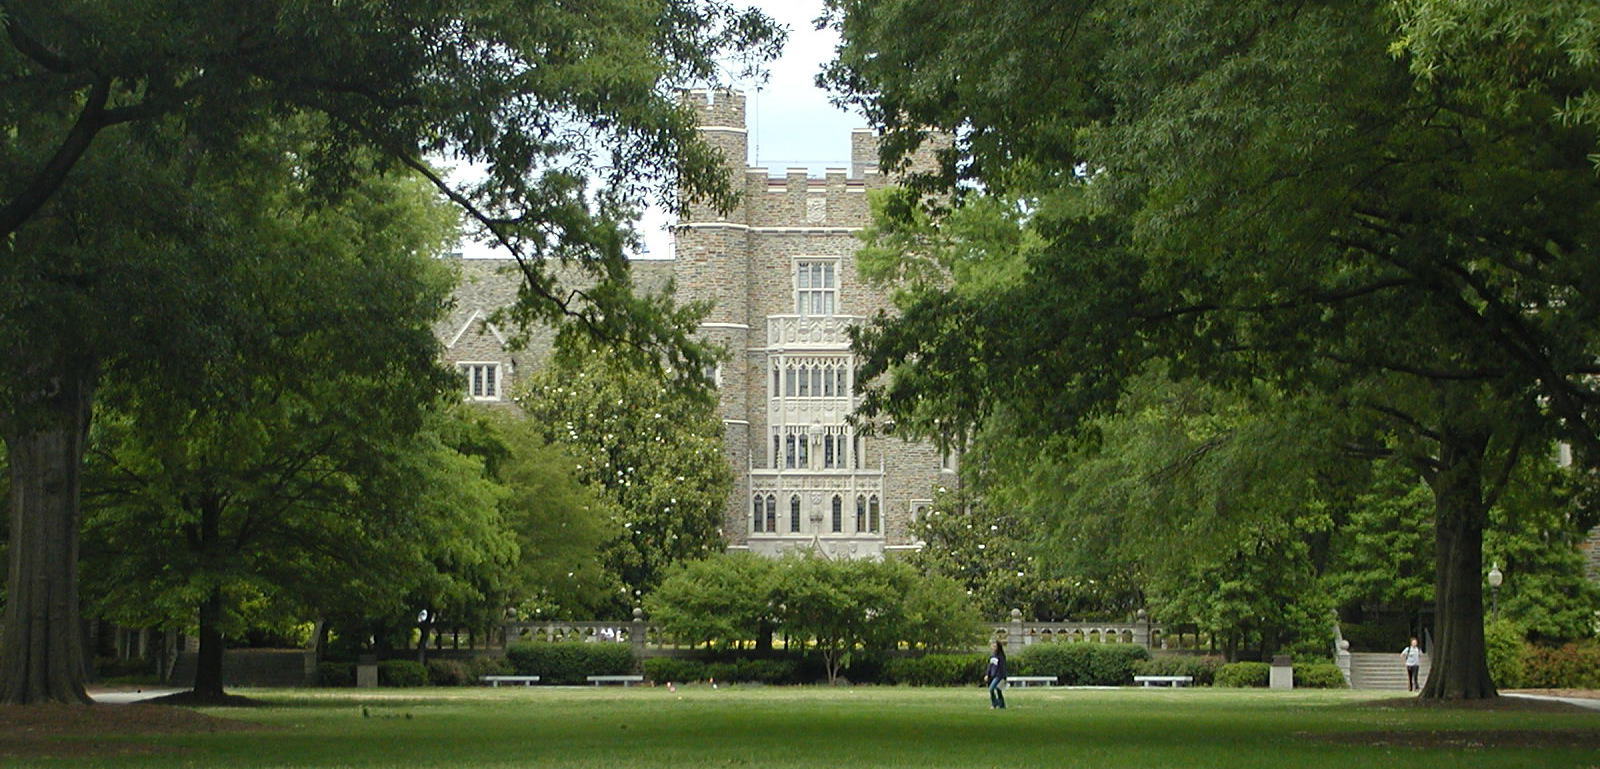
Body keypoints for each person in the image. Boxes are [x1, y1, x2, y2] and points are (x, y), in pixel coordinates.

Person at [984, 641, 1008, 709]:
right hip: (992, 676)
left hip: (999, 676)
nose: (993, 647)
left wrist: (1004, 677)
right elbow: (989, 666)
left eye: (995, 646)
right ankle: (1002, 705)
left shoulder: (1001, 656)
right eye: (992, 646)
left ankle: (994, 704)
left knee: (991, 688)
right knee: (998, 690)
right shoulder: (992, 656)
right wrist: (987, 675)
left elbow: (1003, 667)